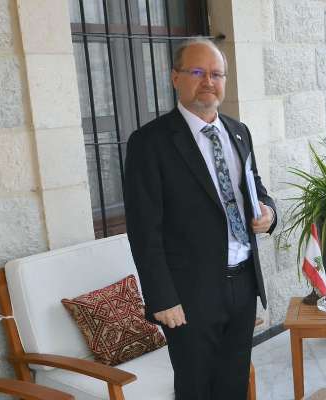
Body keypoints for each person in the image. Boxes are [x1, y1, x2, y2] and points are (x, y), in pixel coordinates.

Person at [124, 38, 277, 399]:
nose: (208, 81)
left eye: (216, 73)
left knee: (233, 384)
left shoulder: (238, 132)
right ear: (175, 77)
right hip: (190, 295)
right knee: (195, 387)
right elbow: (144, 229)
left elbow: (255, 189)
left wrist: (269, 213)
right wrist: (162, 298)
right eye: (197, 72)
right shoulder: (150, 142)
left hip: (243, 283)